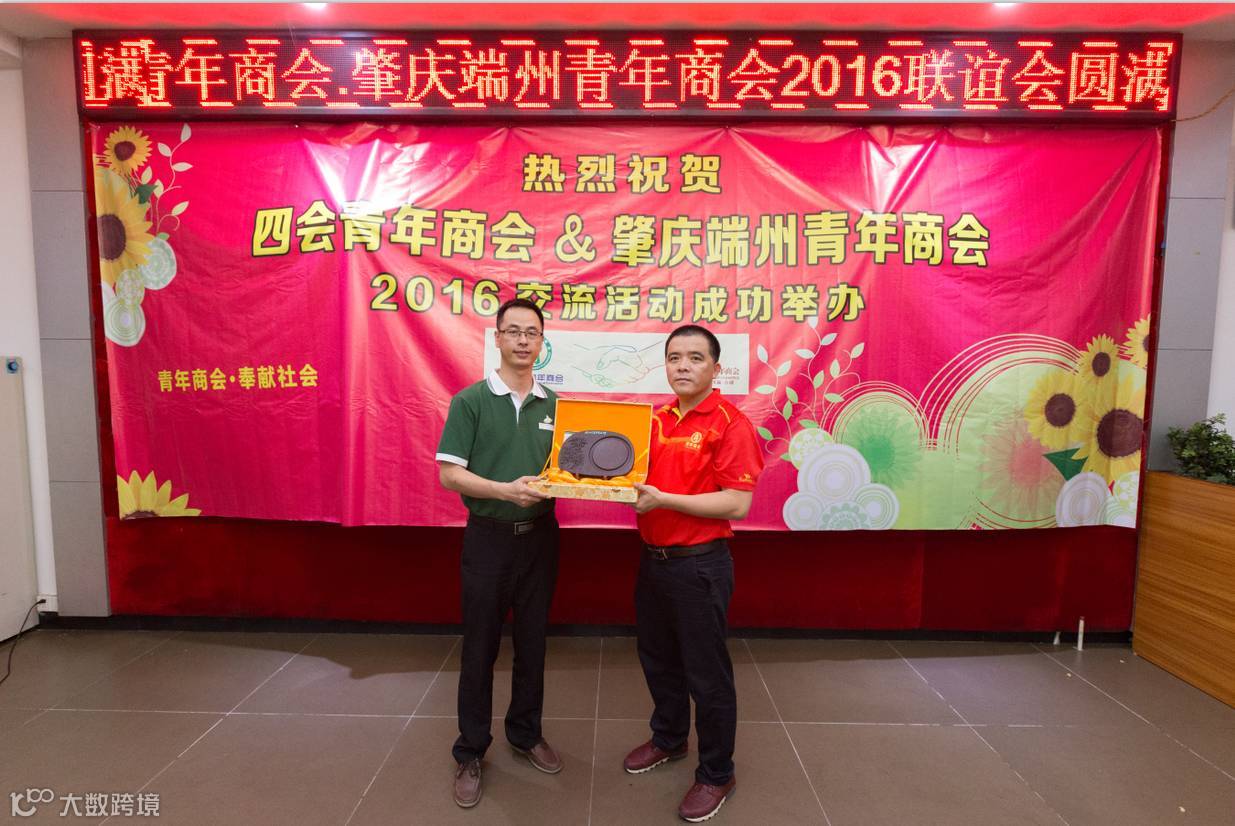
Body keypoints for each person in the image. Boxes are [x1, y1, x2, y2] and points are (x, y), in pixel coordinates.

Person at [623, 324, 764, 823]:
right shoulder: (656, 419)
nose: (683, 366)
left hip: (700, 565)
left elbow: (737, 503)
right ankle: (669, 738)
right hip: (653, 560)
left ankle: (716, 773)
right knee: (658, 659)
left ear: (716, 368)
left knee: (707, 675)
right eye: (674, 357)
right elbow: (629, 477)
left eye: (695, 358)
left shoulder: (730, 424)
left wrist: (664, 500)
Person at [436, 298, 563, 809]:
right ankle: (470, 750)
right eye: (513, 331)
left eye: (532, 332)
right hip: (488, 538)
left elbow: (570, 471)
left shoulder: (557, 406)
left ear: (542, 342)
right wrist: (504, 491)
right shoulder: (470, 401)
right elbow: (450, 474)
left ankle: (526, 733)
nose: (523, 340)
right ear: (497, 338)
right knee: (480, 647)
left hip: (541, 538)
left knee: (533, 643)